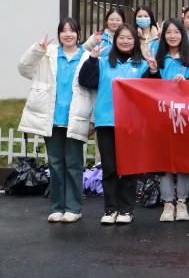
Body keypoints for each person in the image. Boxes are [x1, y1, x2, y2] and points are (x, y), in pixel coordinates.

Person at [17, 18, 90, 223]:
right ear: (59, 34)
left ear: (79, 33)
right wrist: (37, 50)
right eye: (63, 31)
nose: (68, 34)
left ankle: (73, 208)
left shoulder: (86, 56)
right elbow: (23, 69)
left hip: (75, 118)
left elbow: (94, 89)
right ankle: (58, 207)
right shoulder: (47, 54)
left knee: (74, 165)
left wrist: (92, 120)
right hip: (52, 119)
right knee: (55, 165)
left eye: (72, 30)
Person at [79, 24, 151, 225]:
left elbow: (151, 91)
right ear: (115, 40)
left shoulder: (142, 65)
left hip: (131, 123)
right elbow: (86, 81)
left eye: (129, 38)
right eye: (121, 37)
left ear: (135, 41)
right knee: (109, 167)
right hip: (106, 121)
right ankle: (110, 209)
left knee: (128, 167)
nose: (125, 41)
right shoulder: (103, 62)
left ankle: (126, 209)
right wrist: (92, 60)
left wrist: (153, 71)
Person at [145, 18, 189, 222]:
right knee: (165, 162)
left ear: (182, 35)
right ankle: (168, 204)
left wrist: (186, 82)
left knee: (183, 162)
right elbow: (147, 88)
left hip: (184, 118)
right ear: (163, 36)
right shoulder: (157, 58)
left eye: (176, 32)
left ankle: (182, 202)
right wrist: (153, 71)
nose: (172, 36)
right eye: (168, 32)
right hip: (161, 118)